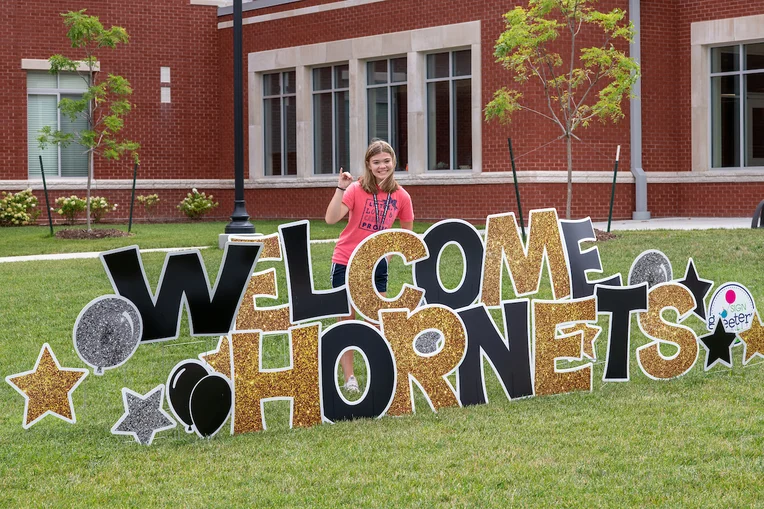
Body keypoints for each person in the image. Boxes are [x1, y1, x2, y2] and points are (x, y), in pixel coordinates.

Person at [325, 140, 414, 392]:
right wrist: (340, 188)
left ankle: (380, 373)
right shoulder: (354, 189)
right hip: (346, 261)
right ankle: (349, 378)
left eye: (386, 161)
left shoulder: (402, 196)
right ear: (368, 164)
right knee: (347, 320)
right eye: (376, 162)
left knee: (378, 320)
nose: (382, 166)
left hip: (376, 264)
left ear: (393, 162)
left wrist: (387, 257)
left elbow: (406, 235)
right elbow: (331, 219)